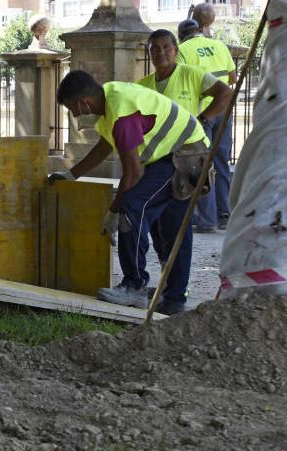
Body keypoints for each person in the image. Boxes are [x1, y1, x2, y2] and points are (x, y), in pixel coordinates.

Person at [50, 70, 208, 315]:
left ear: (83, 102)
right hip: (180, 152)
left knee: (131, 209)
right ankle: (174, 299)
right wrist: (72, 175)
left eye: (72, 108)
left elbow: (133, 173)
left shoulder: (121, 114)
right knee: (171, 226)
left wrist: (114, 210)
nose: (73, 114)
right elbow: (105, 146)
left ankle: (134, 286)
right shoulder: (110, 97)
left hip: (184, 157)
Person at [137, 28, 232, 268]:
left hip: (187, 159)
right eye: (155, 48)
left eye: (166, 47)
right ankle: (167, 280)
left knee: (177, 224)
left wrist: (204, 119)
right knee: (157, 226)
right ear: (149, 53)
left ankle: (176, 291)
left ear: (176, 50)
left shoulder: (191, 74)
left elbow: (225, 92)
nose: (161, 52)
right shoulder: (143, 86)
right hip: (157, 162)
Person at [176, 3, 237, 232]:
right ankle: (224, 215)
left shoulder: (183, 51)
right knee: (222, 163)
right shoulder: (219, 45)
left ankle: (206, 220)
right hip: (224, 109)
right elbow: (232, 77)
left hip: (202, 114)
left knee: (200, 163)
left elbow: (180, 79)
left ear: (181, 37)